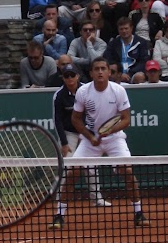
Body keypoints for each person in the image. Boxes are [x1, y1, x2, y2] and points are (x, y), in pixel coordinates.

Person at [50, 56, 144, 228]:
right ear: (91, 73)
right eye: (96, 69)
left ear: (109, 72)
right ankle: (59, 215)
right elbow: (76, 119)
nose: (100, 72)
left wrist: (109, 131)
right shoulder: (83, 92)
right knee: (72, 173)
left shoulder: (119, 90)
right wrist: (89, 135)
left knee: (127, 171)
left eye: (103, 68)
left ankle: (139, 213)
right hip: (89, 139)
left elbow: (125, 120)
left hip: (115, 139)